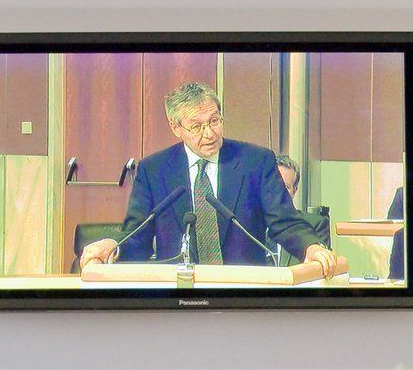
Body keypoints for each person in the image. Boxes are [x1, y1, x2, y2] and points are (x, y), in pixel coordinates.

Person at [80, 82, 338, 278]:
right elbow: (138, 235)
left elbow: (284, 221)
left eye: (214, 121)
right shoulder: (154, 170)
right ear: (176, 128)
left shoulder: (255, 161)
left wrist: (311, 247)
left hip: (244, 289)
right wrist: (114, 246)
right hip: (180, 294)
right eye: (196, 126)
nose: (210, 133)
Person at [272, 155, 331, 266]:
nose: (279, 191)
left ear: (294, 191)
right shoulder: (249, 226)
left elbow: (320, 269)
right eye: (275, 185)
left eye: (286, 187)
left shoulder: (315, 224)